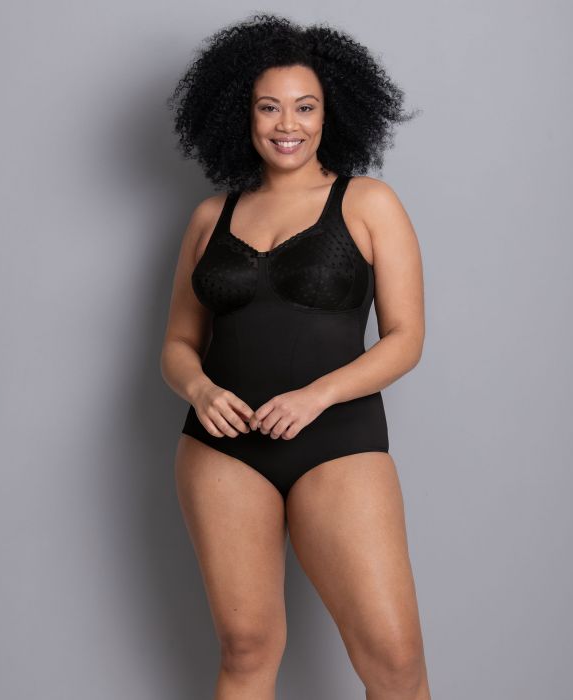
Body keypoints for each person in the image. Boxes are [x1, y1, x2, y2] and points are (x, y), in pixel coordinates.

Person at [160, 13, 429, 699]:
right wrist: (200, 391)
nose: (288, 124)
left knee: (394, 662)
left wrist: (318, 396)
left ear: (330, 113)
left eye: (305, 107)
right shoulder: (210, 218)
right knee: (246, 649)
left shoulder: (368, 202)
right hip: (223, 450)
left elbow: (405, 338)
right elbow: (178, 345)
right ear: (241, 114)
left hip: (337, 440)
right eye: (269, 107)